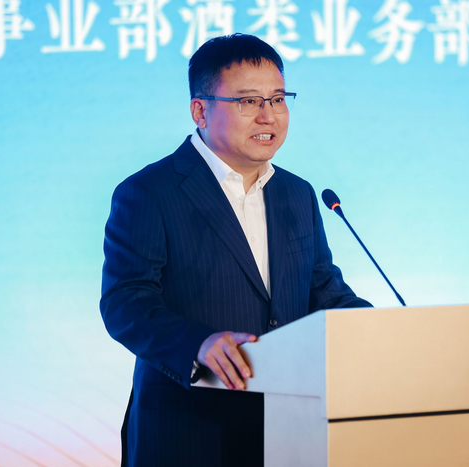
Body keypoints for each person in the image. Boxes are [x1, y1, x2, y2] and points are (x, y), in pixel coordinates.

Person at [100, 33, 371, 467]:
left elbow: (325, 294)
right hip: (188, 433)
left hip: (290, 433)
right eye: (248, 101)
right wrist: (197, 344)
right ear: (200, 110)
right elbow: (126, 303)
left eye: (278, 99)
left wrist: (385, 333)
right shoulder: (150, 192)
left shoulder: (297, 194)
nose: (268, 115)